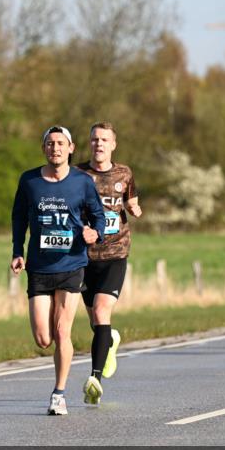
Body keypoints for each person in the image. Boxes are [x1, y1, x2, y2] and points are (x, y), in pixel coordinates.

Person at [11, 126, 106, 415]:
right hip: (39, 267)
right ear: (44, 149)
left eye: (61, 144)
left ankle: (58, 394)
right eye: (50, 144)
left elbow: (99, 215)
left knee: (63, 331)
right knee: (43, 338)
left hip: (71, 264)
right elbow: (18, 217)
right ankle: (58, 385)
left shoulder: (83, 182)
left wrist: (96, 233)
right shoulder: (29, 181)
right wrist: (18, 250)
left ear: (71, 148)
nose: (55, 148)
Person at [75, 122, 142, 404]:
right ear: (89, 144)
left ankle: (95, 380)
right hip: (85, 257)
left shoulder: (124, 173)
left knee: (102, 312)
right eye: (94, 139)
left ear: (113, 144)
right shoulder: (77, 174)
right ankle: (110, 340)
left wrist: (134, 208)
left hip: (115, 255)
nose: (99, 143)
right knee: (96, 321)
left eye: (104, 139)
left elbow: (132, 199)